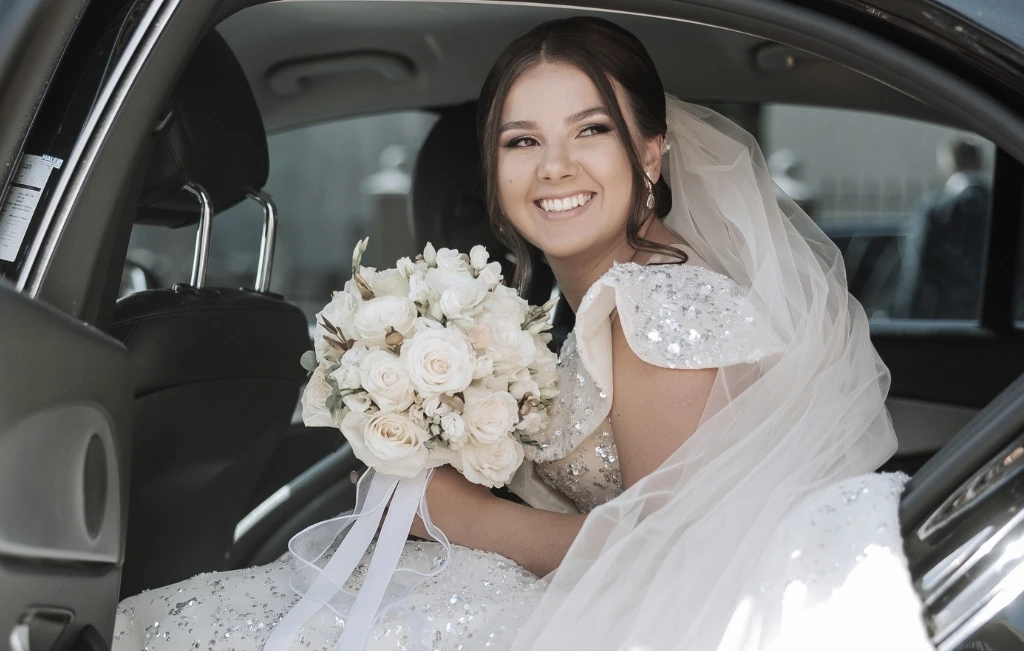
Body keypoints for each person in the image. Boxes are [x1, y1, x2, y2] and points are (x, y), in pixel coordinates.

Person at [113, 17, 932, 651]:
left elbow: (674, 556)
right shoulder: (606, 297)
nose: (554, 166)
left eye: (592, 131)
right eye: (522, 141)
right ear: (494, 172)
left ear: (651, 153)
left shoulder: (657, 308)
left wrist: (456, 512)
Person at [900, 138, 991, 319]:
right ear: (980, 163)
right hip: (1002, 328)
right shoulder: (1009, 209)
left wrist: (906, 321)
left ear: (947, 165)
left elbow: (917, 274)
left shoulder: (935, 210)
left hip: (946, 326)